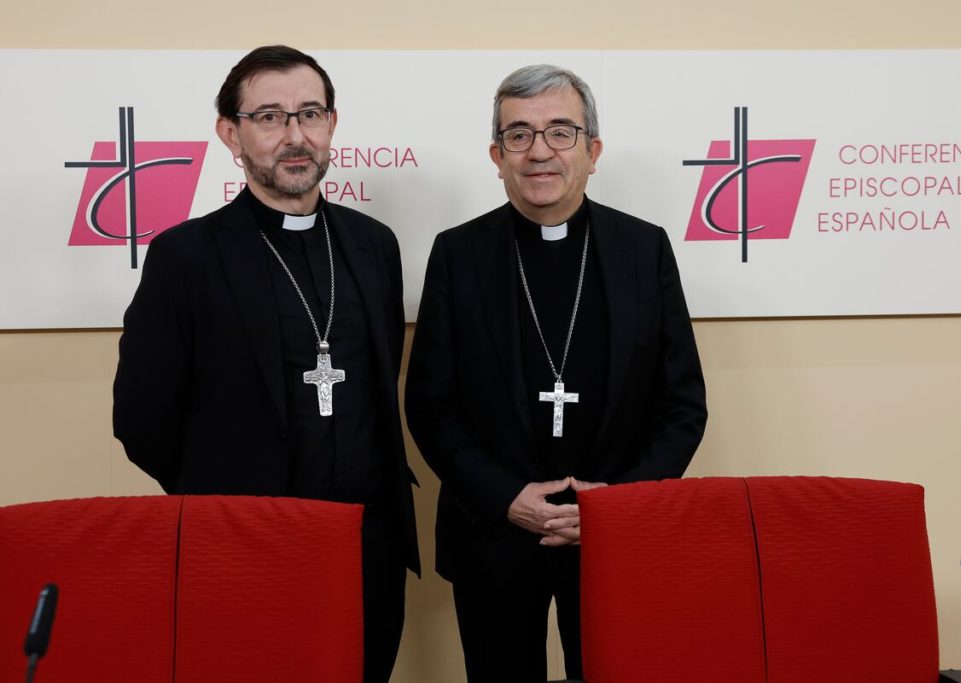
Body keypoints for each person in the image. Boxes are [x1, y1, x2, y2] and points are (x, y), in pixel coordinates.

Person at [113, 45, 418, 683]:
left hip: (369, 543)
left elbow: (381, 378)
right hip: (246, 545)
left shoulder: (373, 245)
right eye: (270, 117)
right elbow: (142, 418)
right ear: (232, 133)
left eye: (310, 114)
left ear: (332, 123)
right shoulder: (186, 257)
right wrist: (220, 504)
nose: (295, 136)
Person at [404, 64, 708, 682]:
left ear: (592, 151)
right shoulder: (458, 254)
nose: (539, 151)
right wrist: (504, 497)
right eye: (518, 134)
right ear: (497, 156)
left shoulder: (642, 249)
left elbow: (682, 405)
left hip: (612, 536)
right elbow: (430, 406)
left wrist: (614, 505)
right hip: (492, 532)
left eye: (560, 132)